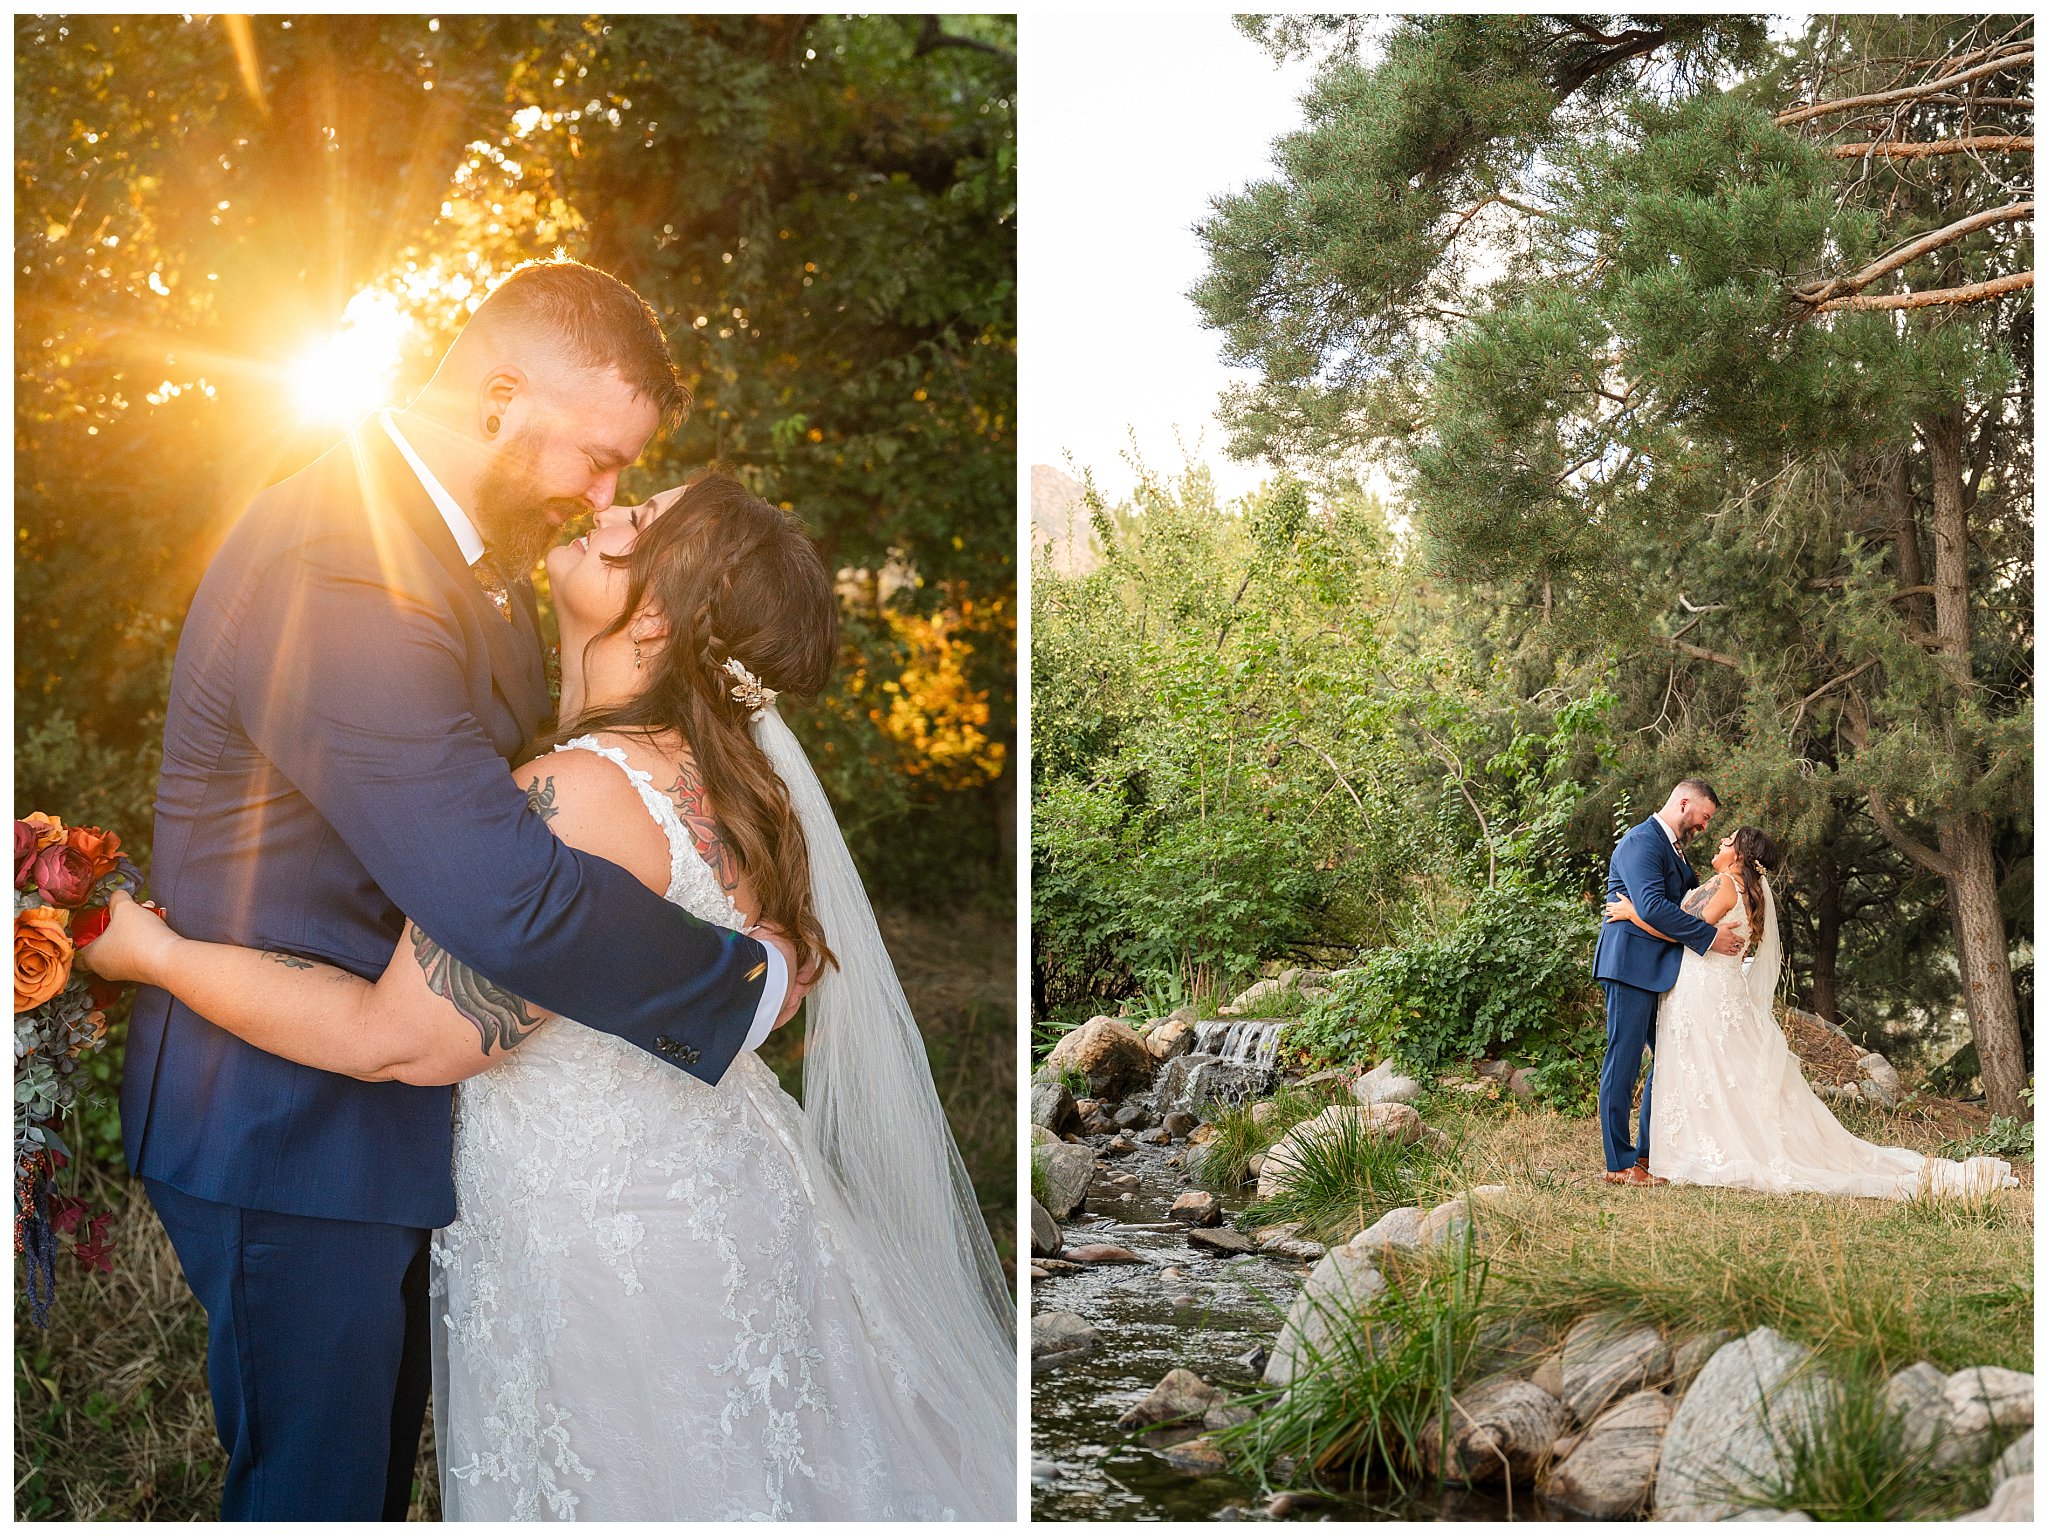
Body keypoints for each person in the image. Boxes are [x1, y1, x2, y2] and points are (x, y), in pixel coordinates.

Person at [88, 474, 1017, 1518]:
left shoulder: (572, 796)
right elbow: (771, 966)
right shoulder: (737, 786)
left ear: (658, 614)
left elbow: (397, 1040)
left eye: (638, 527)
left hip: (609, 1249)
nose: (606, 511)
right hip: (742, 1197)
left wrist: (146, 954)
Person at [116, 258, 812, 1520]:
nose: (604, 497)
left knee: (375, 1475)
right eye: (598, 459)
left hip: (400, 1086)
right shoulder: (341, 562)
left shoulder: (464, 557)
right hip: (288, 1119)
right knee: (317, 1492)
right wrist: (741, 980)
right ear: (498, 399)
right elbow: (512, 899)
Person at [1605, 826, 2018, 1200]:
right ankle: (1688, 1146)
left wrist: (1632, 914)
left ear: (1741, 855)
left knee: (1712, 1070)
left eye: (1727, 840)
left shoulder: (1727, 887)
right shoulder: (1746, 890)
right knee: (1714, 1072)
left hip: (1707, 992)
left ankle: (1705, 1149)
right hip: (1709, 990)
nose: (1720, 842)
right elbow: (1694, 927)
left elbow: (1683, 930)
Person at [1590, 778, 1747, 1186]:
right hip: (1629, 965)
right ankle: (1619, 1163)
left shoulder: (1674, 850)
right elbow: (1655, 907)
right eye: (1705, 817)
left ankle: (1648, 1154)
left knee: (1672, 1062)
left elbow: (1681, 906)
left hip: (1659, 969)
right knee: (1622, 1062)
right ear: (1683, 803)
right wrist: (1711, 938)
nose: (1706, 827)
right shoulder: (1641, 841)